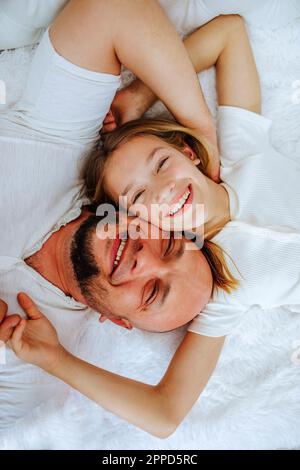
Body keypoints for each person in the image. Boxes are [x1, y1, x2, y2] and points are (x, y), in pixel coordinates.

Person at [3, 13, 300, 438]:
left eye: (162, 164)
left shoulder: (239, 153)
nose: (162, 192)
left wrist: (145, 98)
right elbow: (165, 414)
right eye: (140, 198)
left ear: (188, 152)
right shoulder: (217, 291)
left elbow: (230, 31)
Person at [0, 0, 219, 432]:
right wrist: (202, 131)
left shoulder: (35, 360)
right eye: (170, 244)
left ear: (119, 321)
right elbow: (112, 8)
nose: (144, 259)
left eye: (153, 292)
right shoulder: (65, 147)